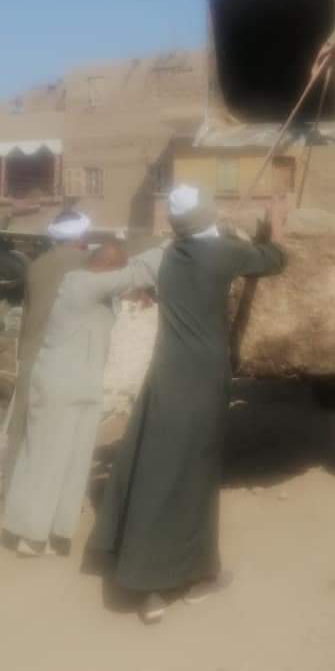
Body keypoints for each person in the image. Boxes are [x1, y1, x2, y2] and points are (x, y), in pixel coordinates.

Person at [87, 185, 287, 624]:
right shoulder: (221, 253)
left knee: (153, 468)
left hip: (165, 374)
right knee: (193, 475)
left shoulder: (168, 255)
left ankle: (154, 578)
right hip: (201, 377)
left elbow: (196, 246)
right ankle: (174, 581)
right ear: (206, 217)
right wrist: (275, 223)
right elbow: (274, 259)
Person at [2, 241, 158, 555]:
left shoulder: (101, 292)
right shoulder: (79, 283)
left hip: (85, 385)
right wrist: (185, 243)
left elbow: (128, 286)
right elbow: (136, 273)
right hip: (59, 384)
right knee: (46, 458)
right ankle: (28, 533)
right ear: (107, 268)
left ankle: (57, 532)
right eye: (118, 269)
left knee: (75, 462)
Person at [2, 211, 92, 499]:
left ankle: (11, 490)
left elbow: (28, 315)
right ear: (81, 235)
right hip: (67, 358)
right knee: (62, 432)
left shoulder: (36, 265)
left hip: (31, 356)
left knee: (22, 428)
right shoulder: (90, 264)